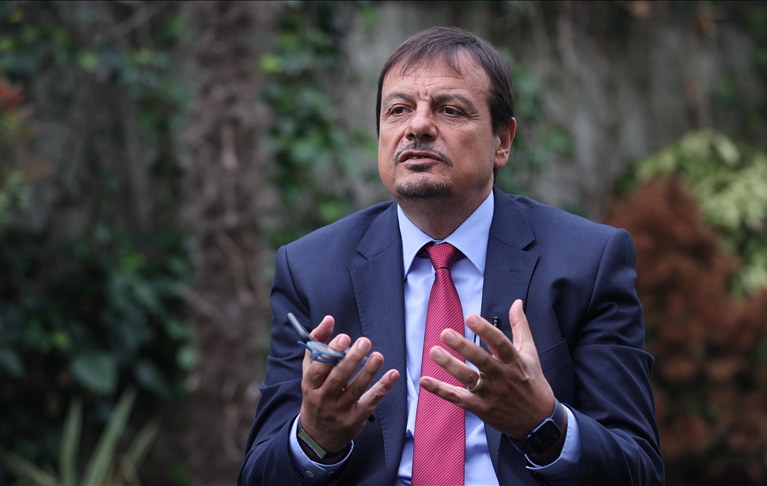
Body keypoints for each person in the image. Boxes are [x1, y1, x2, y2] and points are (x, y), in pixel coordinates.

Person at [240, 26, 663, 485]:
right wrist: (314, 436)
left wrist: (543, 422)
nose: (417, 126)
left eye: (450, 109)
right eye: (398, 110)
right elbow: (258, 476)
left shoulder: (586, 262)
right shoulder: (312, 269)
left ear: (502, 141)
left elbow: (638, 470)